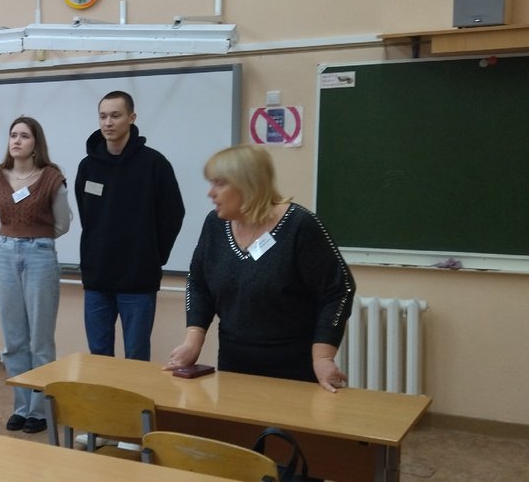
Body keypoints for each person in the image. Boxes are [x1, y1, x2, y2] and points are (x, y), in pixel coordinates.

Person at [165, 144, 356, 391]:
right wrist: (193, 342)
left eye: (219, 184)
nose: (210, 193)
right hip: (234, 365)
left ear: (247, 184)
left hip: (293, 370)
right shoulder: (215, 225)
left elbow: (340, 289)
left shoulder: (300, 225)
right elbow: (198, 282)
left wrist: (323, 358)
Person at [74, 89, 185, 361]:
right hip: (97, 278)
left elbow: (173, 214)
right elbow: (88, 216)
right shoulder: (88, 167)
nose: (108, 123)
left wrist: (153, 256)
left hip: (138, 279)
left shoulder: (154, 164)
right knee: (98, 356)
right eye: (103, 116)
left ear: (132, 118)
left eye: (115, 116)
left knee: (136, 357)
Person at [0, 116, 70, 434]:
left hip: (39, 255)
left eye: (24, 136)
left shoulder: (51, 178)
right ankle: (21, 407)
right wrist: (16, 237)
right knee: (14, 340)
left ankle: (40, 410)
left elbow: (62, 224)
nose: (17, 140)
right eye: (13, 135)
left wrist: (35, 237)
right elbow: (3, 219)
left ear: (36, 144)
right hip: (4, 253)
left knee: (40, 340)